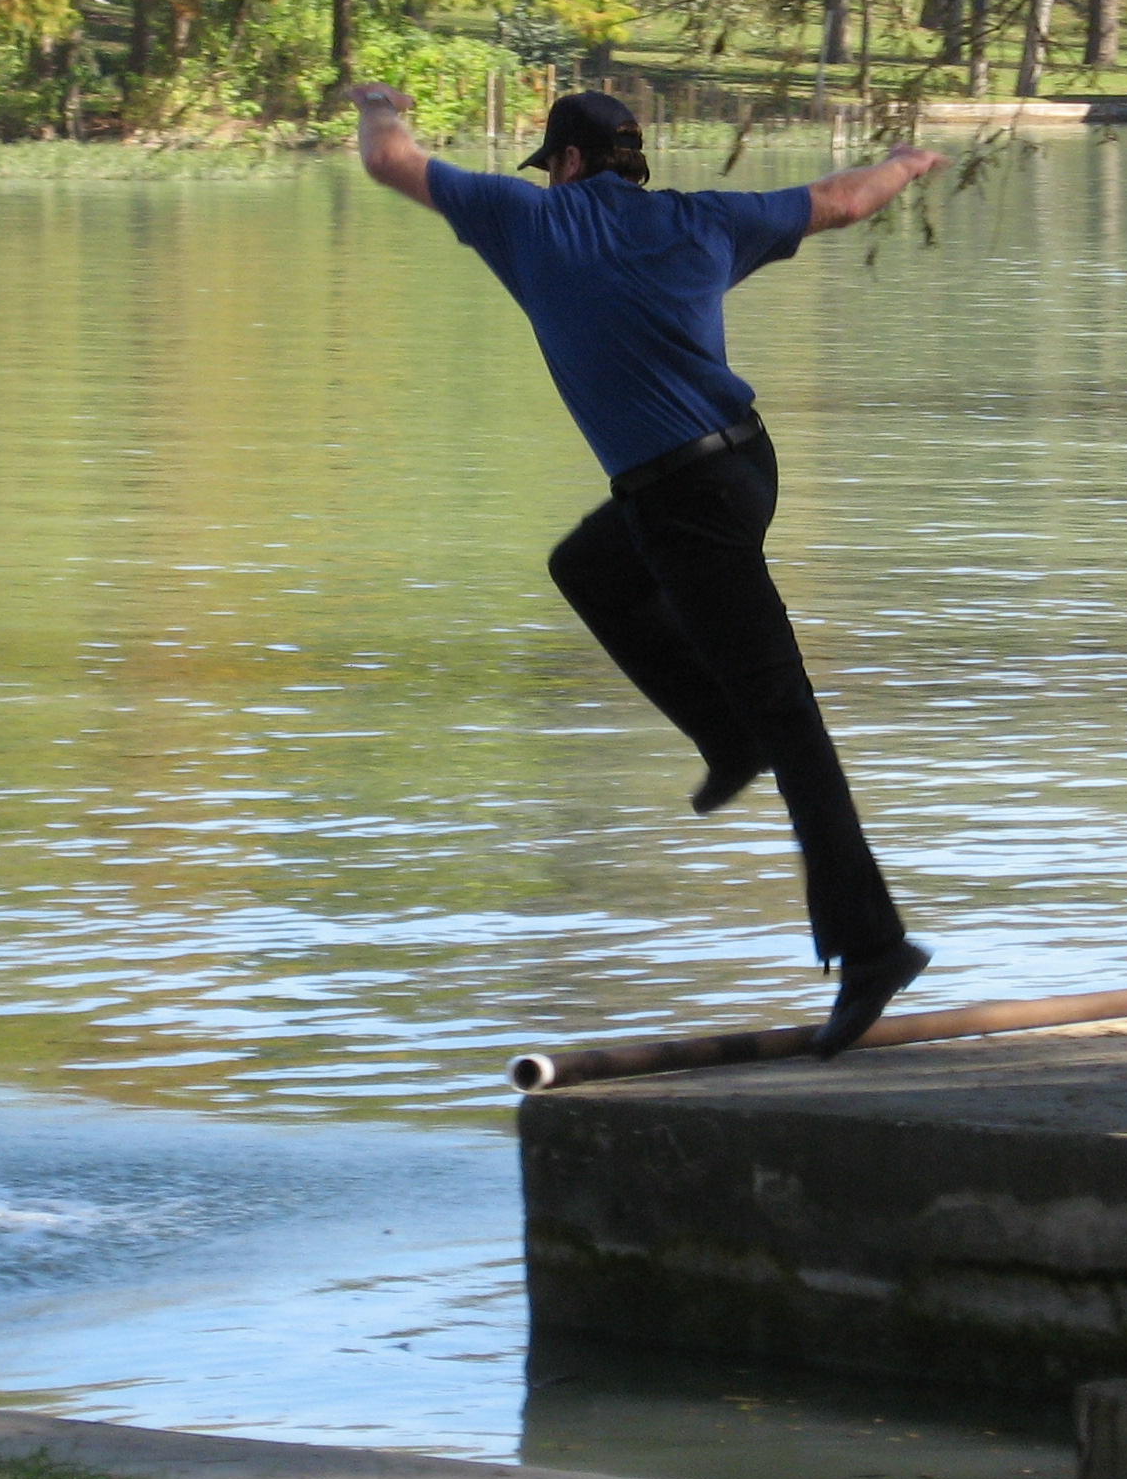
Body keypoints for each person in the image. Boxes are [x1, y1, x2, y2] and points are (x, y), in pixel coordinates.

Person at [347, 81, 945, 1057]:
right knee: (587, 568)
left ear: (569, 161)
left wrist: (380, 104)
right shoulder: (701, 220)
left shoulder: (526, 220)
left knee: (788, 718)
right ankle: (722, 734)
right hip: (740, 465)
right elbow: (837, 200)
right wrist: (905, 166)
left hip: (684, 503)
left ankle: (872, 946)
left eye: (555, 161)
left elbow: (389, 160)